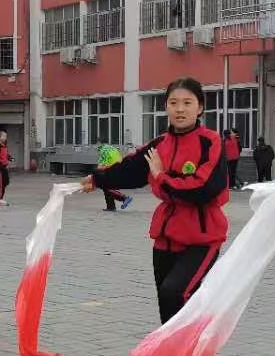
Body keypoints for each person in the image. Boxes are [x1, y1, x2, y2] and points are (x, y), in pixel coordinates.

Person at [84, 77, 229, 324]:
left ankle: (189, 355)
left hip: (202, 240)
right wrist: (98, 179)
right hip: (165, 239)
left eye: (187, 102)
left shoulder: (211, 142)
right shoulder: (160, 143)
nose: (180, 109)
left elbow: (203, 189)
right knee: (167, 303)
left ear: (200, 107)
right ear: (166, 107)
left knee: (175, 293)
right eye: (173, 102)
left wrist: (160, 176)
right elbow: (131, 168)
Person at [0, 131, 12, 205]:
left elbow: (7, 154)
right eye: (3, 136)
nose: (5, 138)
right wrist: (3, 163)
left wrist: (10, 158)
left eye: (5, 136)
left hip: (4, 167)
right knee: (1, 184)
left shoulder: (4, 145)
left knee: (6, 182)